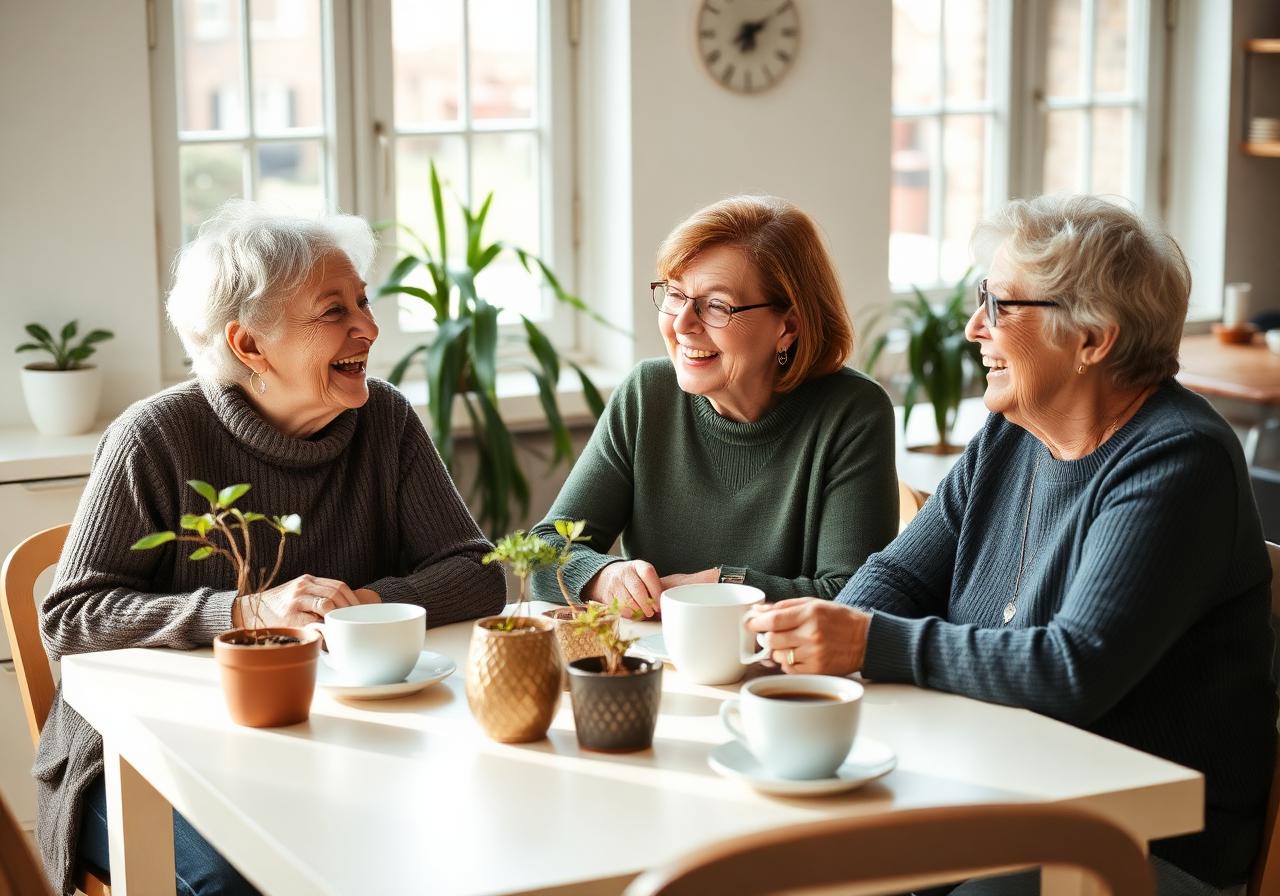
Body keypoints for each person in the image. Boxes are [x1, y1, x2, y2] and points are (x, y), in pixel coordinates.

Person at [749, 194, 1276, 895]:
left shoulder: (1179, 459)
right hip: (998, 785)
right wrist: (822, 645)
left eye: (1001, 306)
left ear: (1093, 340)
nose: (974, 328)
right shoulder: (1010, 434)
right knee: (797, 860)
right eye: (981, 299)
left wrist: (864, 643)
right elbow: (898, 577)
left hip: (1141, 839)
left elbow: (1071, 670)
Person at [33, 201, 506, 895]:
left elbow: (477, 574)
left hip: (334, 741)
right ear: (250, 345)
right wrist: (248, 611)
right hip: (141, 756)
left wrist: (356, 609)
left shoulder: (387, 422)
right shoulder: (155, 437)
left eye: (363, 302)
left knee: (460, 842)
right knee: (242, 881)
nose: (369, 329)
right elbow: (71, 620)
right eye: (333, 312)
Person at [531, 195, 899, 615]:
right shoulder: (645, 394)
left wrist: (725, 585)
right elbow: (542, 551)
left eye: (716, 305)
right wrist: (604, 576)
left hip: (780, 674)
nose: (683, 323)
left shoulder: (852, 413)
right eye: (675, 294)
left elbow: (856, 596)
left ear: (788, 327)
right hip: (647, 664)